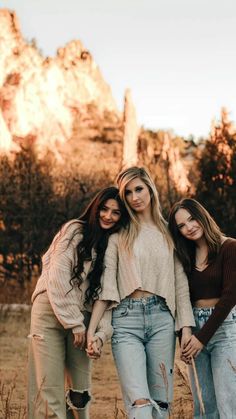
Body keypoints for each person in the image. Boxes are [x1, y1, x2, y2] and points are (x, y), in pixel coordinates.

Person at [87, 166, 195, 419]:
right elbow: (107, 288)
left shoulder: (170, 233)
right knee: (140, 403)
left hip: (162, 320)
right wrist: (94, 331)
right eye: (128, 193)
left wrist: (186, 327)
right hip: (126, 321)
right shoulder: (118, 236)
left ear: (150, 189)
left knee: (162, 402)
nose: (135, 197)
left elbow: (180, 284)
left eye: (139, 189)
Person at [27, 186, 128, 419]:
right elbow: (58, 277)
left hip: (83, 319)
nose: (108, 216)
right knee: (49, 389)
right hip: (51, 311)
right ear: (95, 208)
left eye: (116, 213)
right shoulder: (75, 230)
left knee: (79, 394)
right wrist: (75, 323)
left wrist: (100, 335)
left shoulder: (112, 244)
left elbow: (107, 296)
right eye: (104, 209)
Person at [168, 198, 236, 418]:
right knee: (204, 405)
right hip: (193, 328)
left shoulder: (230, 247)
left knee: (229, 401)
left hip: (224, 330)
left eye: (192, 219)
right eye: (181, 225)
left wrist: (202, 338)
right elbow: (181, 296)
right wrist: (186, 334)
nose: (189, 227)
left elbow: (230, 297)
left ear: (202, 216)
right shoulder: (183, 256)